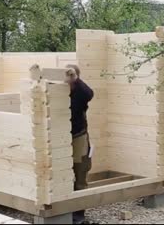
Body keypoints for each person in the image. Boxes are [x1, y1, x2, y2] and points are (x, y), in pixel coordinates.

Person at [65, 64, 94, 224]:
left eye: (71, 78)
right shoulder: (57, 89)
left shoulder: (80, 92)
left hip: (78, 137)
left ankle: (78, 216)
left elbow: (90, 94)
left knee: (80, 174)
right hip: (59, 138)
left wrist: (76, 79)